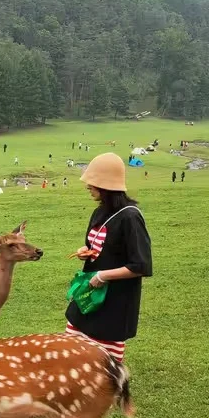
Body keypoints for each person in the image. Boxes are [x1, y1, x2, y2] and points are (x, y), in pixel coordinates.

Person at [65, 153, 152, 362]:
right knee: (72, 353)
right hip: (89, 295)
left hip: (115, 301)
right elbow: (97, 245)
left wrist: (103, 276)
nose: (88, 186)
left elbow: (141, 265)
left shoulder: (131, 217)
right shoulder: (100, 212)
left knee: (105, 367)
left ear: (106, 185)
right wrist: (86, 250)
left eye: (92, 182)